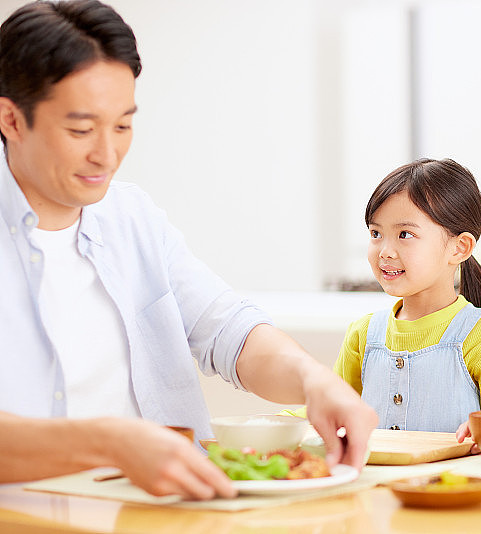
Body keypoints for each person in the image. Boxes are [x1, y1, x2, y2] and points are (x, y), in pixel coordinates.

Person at [0, 0, 376, 500]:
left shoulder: (132, 219)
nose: (106, 154)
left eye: (123, 125)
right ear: (11, 119)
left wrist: (313, 382)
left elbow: (230, 332)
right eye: (81, 130)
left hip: (172, 517)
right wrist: (110, 442)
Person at [333, 158, 481, 438]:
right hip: (377, 481)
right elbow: (330, 410)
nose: (385, 251)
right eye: (376, 233)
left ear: (459, 248)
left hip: (457, 481)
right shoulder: (363, 335)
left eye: (405, 234)